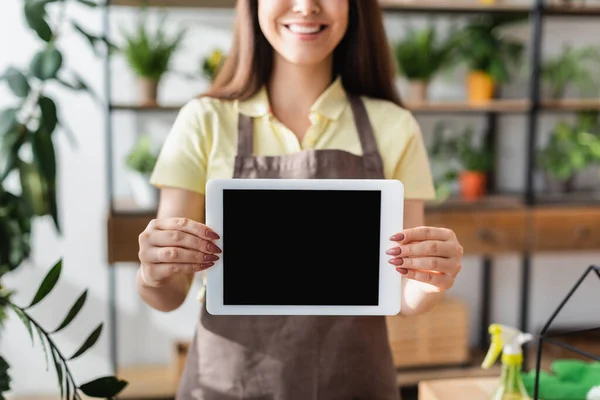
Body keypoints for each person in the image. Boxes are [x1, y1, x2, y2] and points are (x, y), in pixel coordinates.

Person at [136, 0, 464, 399]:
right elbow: (169, 293)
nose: (307, 6)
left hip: (355, 386)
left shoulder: (394, 126)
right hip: (229, 386)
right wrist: (153, 271)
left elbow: (402, 294)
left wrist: (430, 279)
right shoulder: (204, 121)